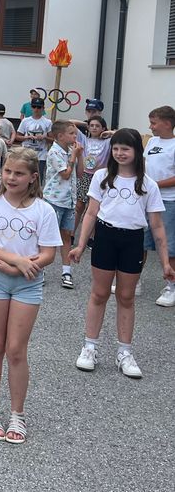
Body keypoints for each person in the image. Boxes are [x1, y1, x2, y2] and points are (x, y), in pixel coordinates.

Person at [0, 147, 62, 444]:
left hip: (28, 284)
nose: (11, 177)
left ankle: (17, 414)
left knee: (16, 350)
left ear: (33, 177)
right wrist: (14, 261)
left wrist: (24, 266)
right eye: (8, 171)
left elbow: (49, 253)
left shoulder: (43, 210)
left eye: (19, 173)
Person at [70, 128, 174, 379]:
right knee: (99, 293)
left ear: (137, 150)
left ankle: (124, 352)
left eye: (125, 149)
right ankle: (90, 346)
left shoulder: (148, 183)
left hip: (132, 240)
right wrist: (81, 244)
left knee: (126, 296)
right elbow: (91, 213)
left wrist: (165, 263)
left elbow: (157, 226)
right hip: (106, 237)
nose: (119, 153)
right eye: (115, 148)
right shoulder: (103, 177)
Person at [142, 106, 175, 307]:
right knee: (140, 241)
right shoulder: (152, 141)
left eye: (154, 123)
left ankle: (172, 287)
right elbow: (144, 166)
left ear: (168, 124)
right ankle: (133, 280)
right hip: (146, 200)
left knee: (168, 245)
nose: (151, 126)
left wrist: (154, 185)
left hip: (168, 201)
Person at [42, 120, 80, 289]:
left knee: (66, 236)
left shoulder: (71, 151)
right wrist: (73, 157)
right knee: (48, 237)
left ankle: (66, 271)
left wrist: (80, 155)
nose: (75, 136)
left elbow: (79, 173)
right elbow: (65, 174)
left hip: (69, 200)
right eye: (71, 133)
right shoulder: (54, 152)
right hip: (54, 199)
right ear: (60, 136)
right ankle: (40, 268)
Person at [75, 115, 109, 239]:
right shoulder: (83, 139)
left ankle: (91, 236)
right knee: (79, 205)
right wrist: (86, 124)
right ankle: (72, 233)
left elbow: (120, 134)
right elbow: (68, 123)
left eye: (97, 126)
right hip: (85, 175)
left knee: (94, 207)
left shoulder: (107, 142)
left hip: (99, 177)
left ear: (103, 128)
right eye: (92, 125)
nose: (94, 128)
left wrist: (108, 132)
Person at [15, 97, 52, 182]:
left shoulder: (48, 122)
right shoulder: (25, 121)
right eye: (34, 106)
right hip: (26, 154)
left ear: (43, 108)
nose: (36, 109)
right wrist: (26, 137)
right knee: (23, 177)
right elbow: (17, 137)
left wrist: (44, 137)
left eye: (39, 107)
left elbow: (53, 139)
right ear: (31, 107)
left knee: (38, 179)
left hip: (41, 156)